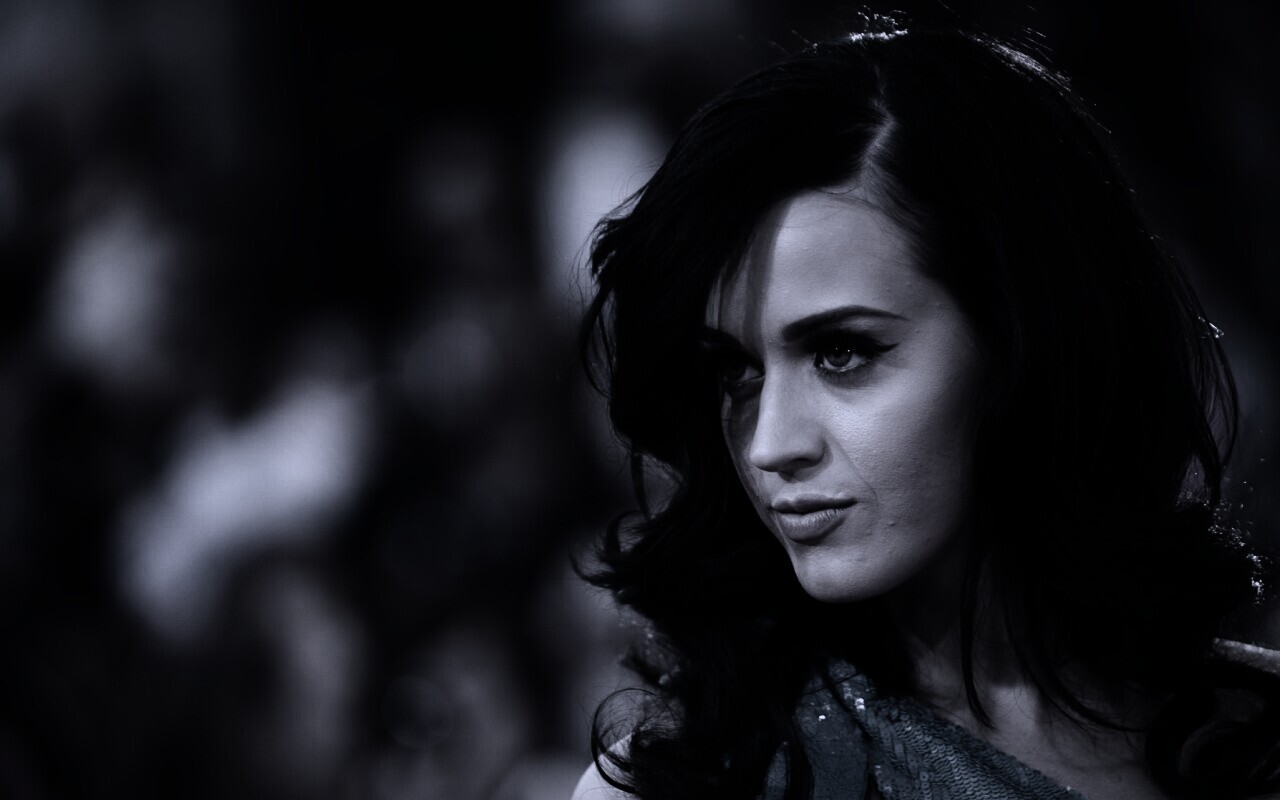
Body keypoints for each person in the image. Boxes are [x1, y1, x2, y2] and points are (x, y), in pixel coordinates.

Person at [569, 20, 1280, 800]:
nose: (770, 445)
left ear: (1023, 336)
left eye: (841, 352)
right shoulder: (684, 784)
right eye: (736, 371)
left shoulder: (1253, 735)